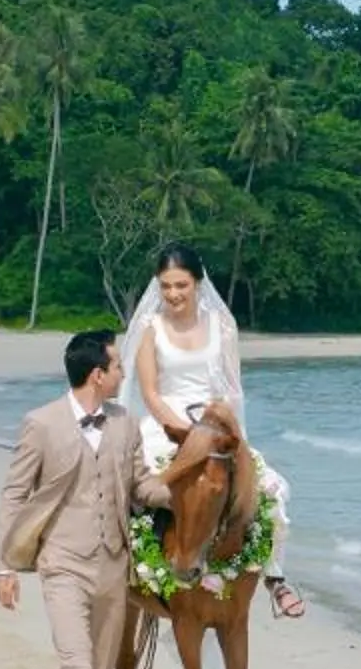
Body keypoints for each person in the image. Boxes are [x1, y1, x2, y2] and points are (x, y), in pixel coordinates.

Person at [0, 328, 162, 669]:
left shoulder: (126, 423)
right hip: (63, 563)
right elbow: (15, 494)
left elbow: (142, 487)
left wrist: (190, 489)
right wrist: (5, 565)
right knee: (77, 666)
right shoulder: (41, 424)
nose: (123, 373)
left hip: (114, 566)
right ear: (97, 374)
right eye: (117, 366)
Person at [120, 242, 306, 618]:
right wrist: (182, 432)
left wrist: (223, 429)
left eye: (181, 285)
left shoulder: (222, 326)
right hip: (167, 426)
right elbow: (150, 393)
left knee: (272, 488)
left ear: (197, 283)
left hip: (216, 424)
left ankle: (275, 576)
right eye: (166, 286)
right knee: (136, 488)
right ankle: (131, 568)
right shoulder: (149, 329)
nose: (173, 294)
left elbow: (232, 390)